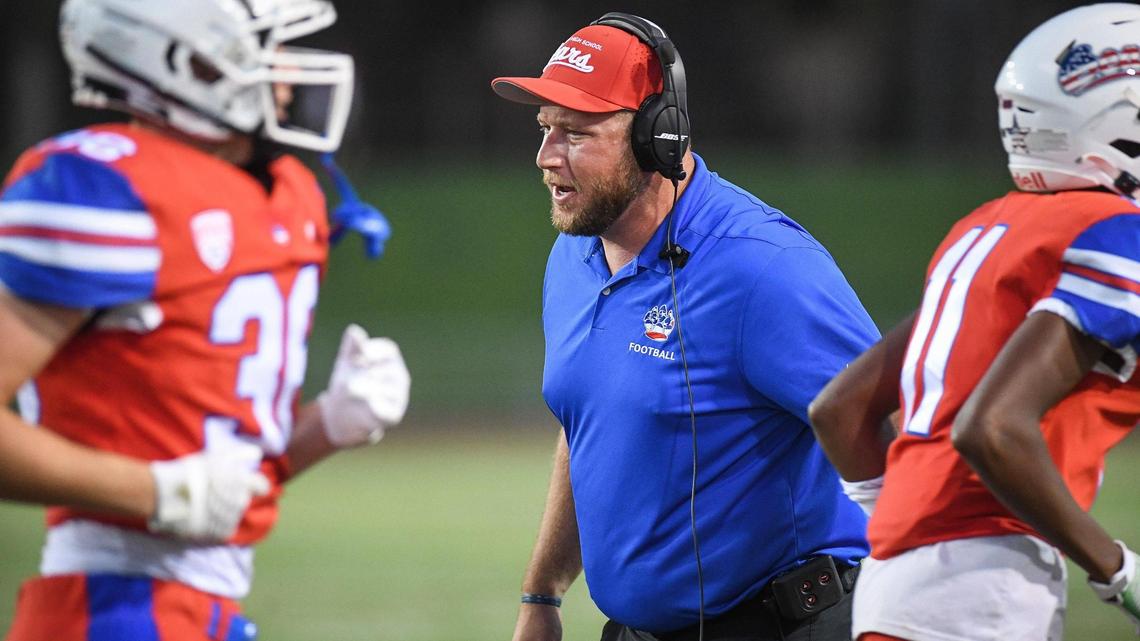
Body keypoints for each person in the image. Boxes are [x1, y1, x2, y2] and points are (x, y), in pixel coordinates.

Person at [0, 1, 410, 639]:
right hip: (109, 605)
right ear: (183, 60)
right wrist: (160, 494)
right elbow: (183, 491)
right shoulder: (106, 186)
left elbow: (216, 481)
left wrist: (324, 427)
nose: (288, 73)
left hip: (208, 609)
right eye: (266, 48)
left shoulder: (287, 192)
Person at [490, 12, 879, 641]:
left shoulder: (763, 268)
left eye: (576, 133)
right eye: (543, 129)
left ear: (657, 139)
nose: (545, 157)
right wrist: (543, 593)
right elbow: (588, 424)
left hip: (784, 625)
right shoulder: (574, 253)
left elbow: (898, 424)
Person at [808, 5, 1140, 641]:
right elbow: (991, 428)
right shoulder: (1111, 232)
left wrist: (908, 526)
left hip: (895, 583)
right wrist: (1118, 572)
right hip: (982, 585)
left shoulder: (984, 226)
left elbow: (839, 409)